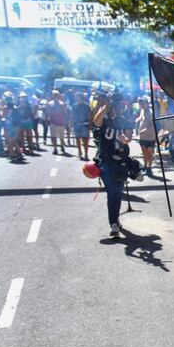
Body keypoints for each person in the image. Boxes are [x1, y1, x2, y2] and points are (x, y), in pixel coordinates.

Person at [91, 90, 143, 238]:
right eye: (114, 107)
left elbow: (128, 139)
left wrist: (124, 139)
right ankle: (113, 224)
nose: (117, 109)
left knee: (118, 194)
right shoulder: (105, 120)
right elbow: (96, 121)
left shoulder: (126, 122)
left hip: (121, 163)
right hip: (106, 163)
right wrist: (104, 106)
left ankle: (115, 220)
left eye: (119, 107)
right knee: (111, 193)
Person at [135, 96, 156, 175]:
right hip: (142, 136)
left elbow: (151, 124)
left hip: (150, 137)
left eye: (143, 103)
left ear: (147, 103)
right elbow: (141, 117)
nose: (141, 105)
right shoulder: (142, 110)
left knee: (150, 153)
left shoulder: (151, 113)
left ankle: (149, 168)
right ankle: (145, 166)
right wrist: (138, 119)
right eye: (140, 104)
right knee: (144, 153)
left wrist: (144, 130)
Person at [46, 90, 68, 155]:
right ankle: (55, 148)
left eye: (57, 95)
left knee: (61, 136)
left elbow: (65, 113)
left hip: (61, 122)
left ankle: (61, 145)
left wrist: (66, 120)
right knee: (53, 136)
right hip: (53, 122)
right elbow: (47, 112)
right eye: (54, 95)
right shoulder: (50, 103)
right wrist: (47, 119)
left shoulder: (62, 104)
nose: (55, 96)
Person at [71, 92, 92, 160]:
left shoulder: (86, 106)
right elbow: (72, 114)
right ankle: (79, 152)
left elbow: (89, 115)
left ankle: (86, 154)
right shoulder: (74, 105)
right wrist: (71, 122)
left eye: (77, 97)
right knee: (77, 139)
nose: (76, 98)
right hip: (76, 124)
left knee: (85, 141)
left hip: (84, 125)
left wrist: (89, 124)